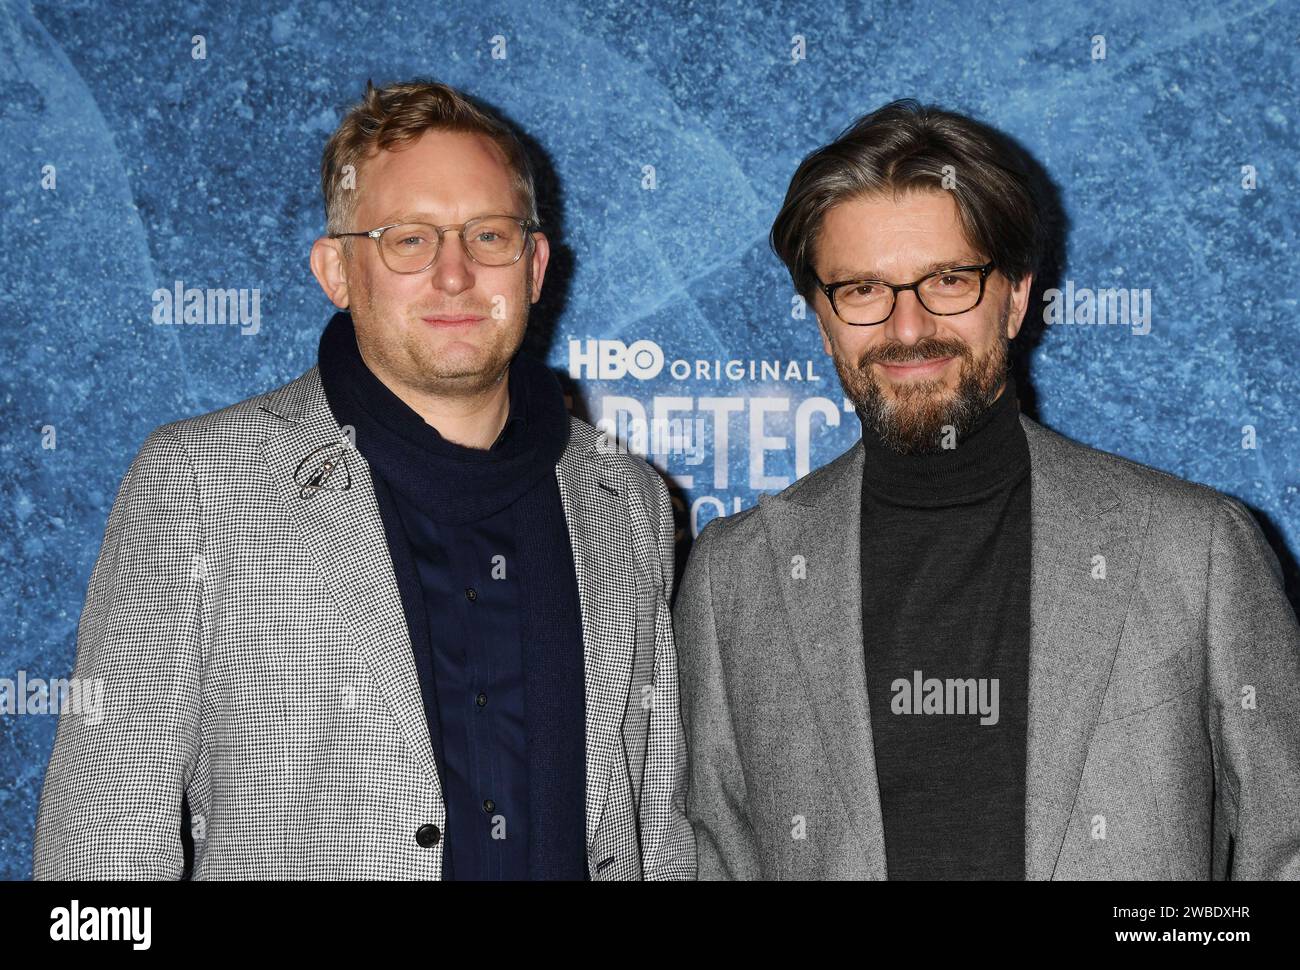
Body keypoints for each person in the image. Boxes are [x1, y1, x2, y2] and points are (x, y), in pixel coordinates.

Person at [34, 79, 694, 881]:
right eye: (408, 240)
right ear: (337, 271)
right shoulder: (198, 486)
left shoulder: (627, 502)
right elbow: (100, 845)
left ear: (533, 266)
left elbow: (657, 829)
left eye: (488, 236)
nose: (454, 274)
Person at [673, 99, 1300, 880]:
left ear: (1014, 296)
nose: (908, 328)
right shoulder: (736, 578)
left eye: (947, 279)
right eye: (863, 289)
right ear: (820, 317)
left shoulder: (1196, 551)